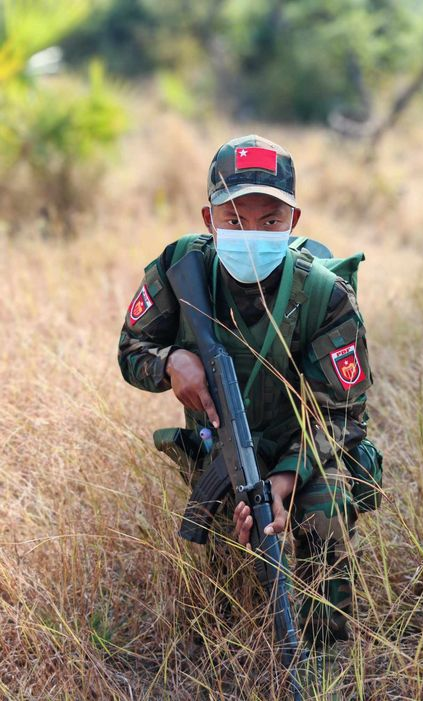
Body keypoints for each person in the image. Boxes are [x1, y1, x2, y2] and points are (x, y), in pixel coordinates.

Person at [118, 134, 376, 651]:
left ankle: (327, 646)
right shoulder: (180, 267)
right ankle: (218, 640)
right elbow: (132, 349)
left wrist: (284, 479)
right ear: (209, 219)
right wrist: (173, 362)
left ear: (293, 223)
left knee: (325, 508)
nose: (252, 233)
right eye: (234, 220)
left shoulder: (324, 294)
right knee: (218, 572)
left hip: (303, 448)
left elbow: (344, 415)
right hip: (220, 449)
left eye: (270, 220)